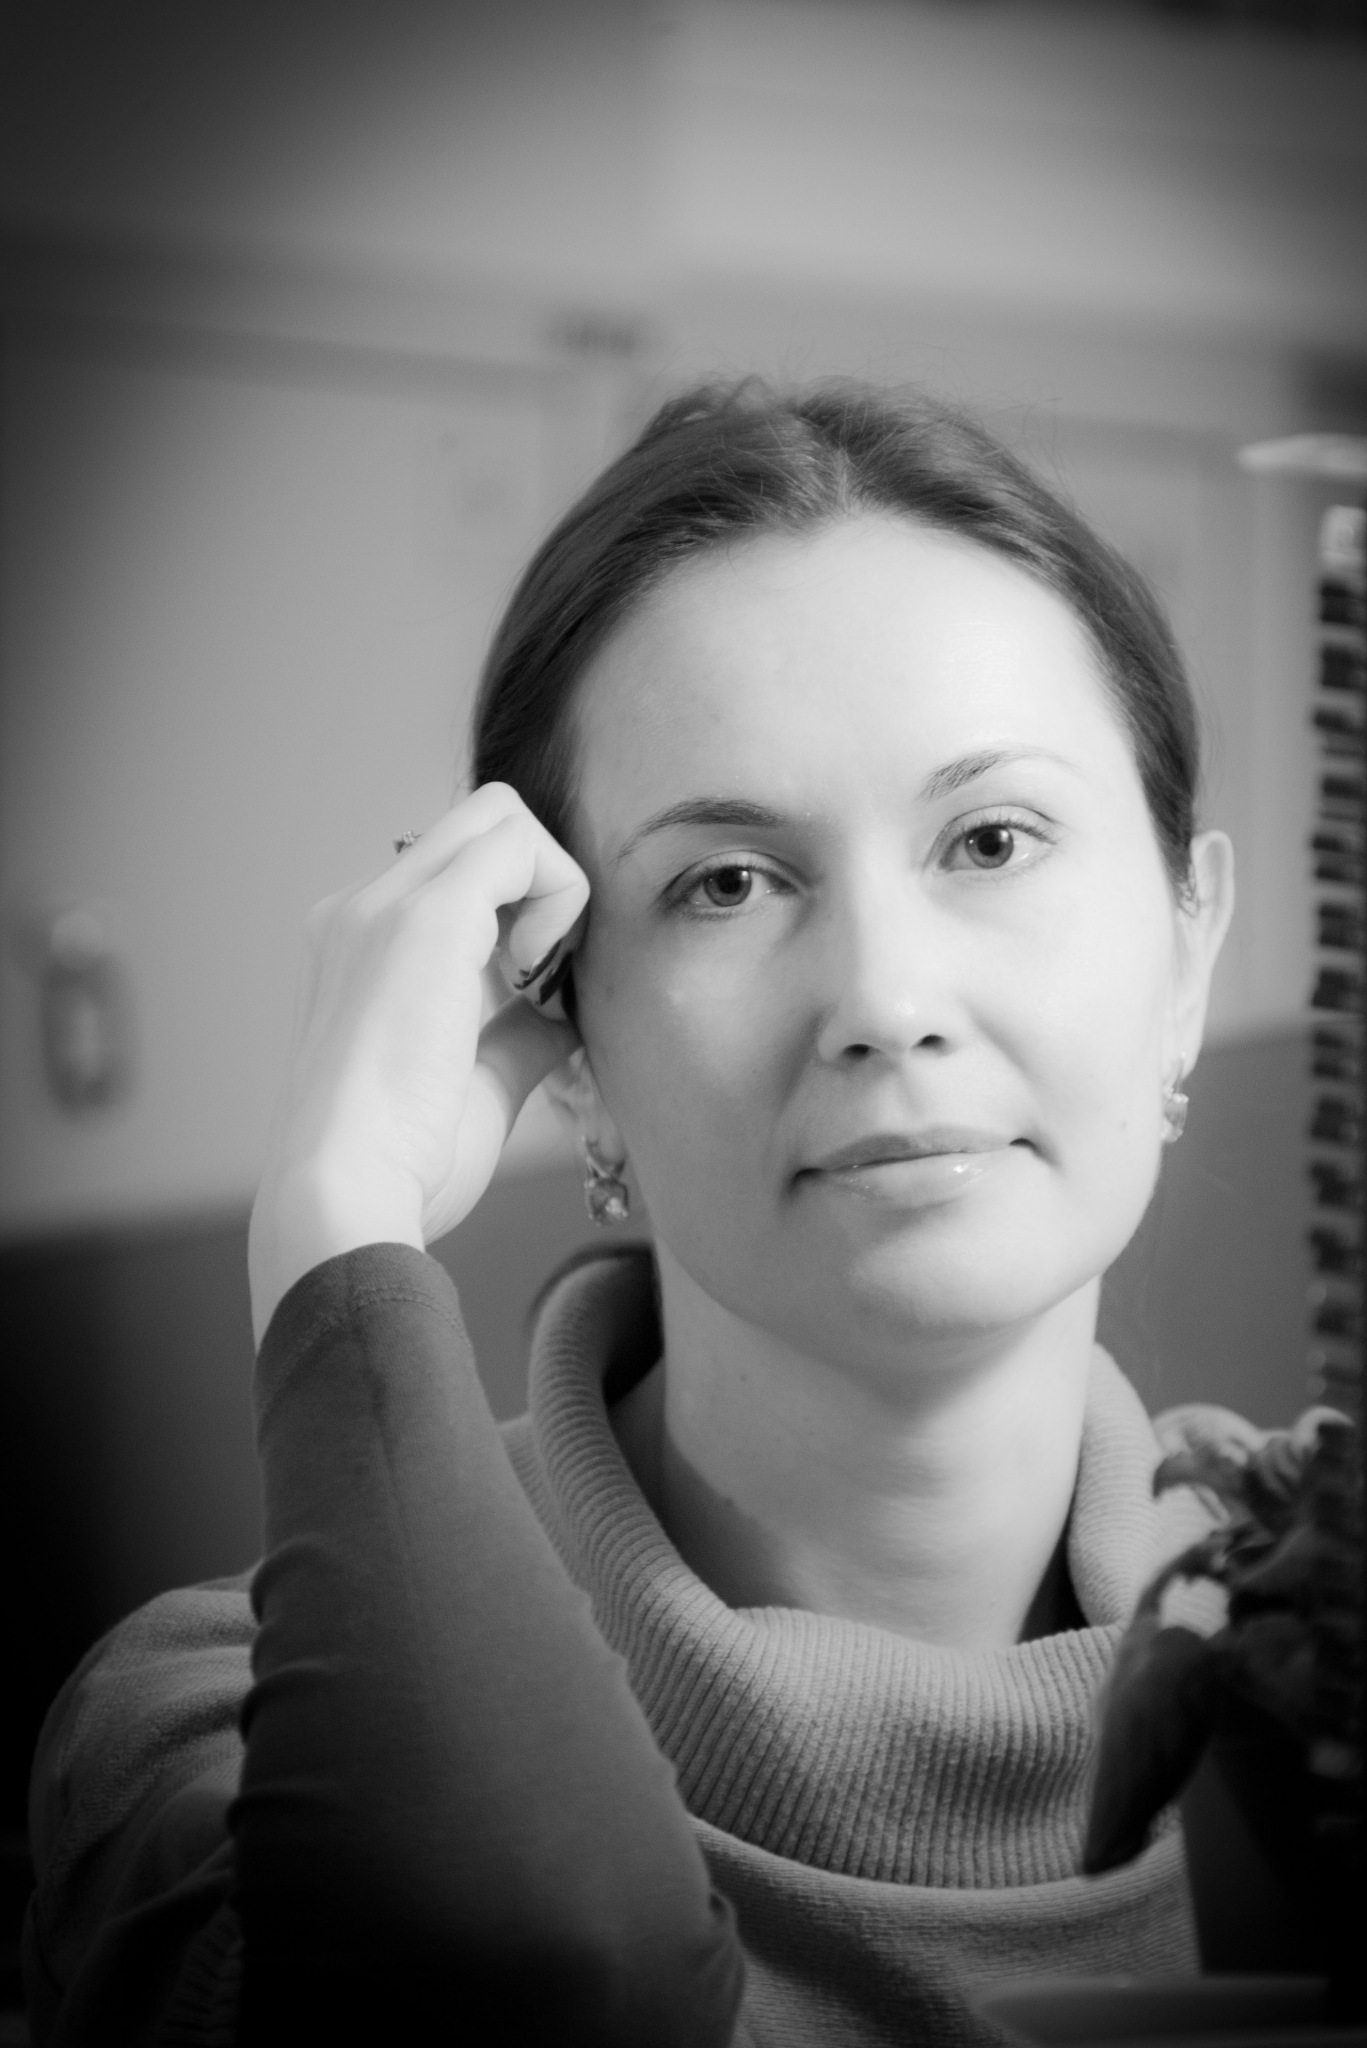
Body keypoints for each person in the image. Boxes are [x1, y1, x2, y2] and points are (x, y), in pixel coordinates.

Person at [23, 379, 1235, 2046]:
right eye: (726, 882)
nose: (887, 1000)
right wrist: (337, 1215)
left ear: (1190, 955)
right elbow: (532, 1987)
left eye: (992, 840)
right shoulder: (213, 1738)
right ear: (570, 1046)